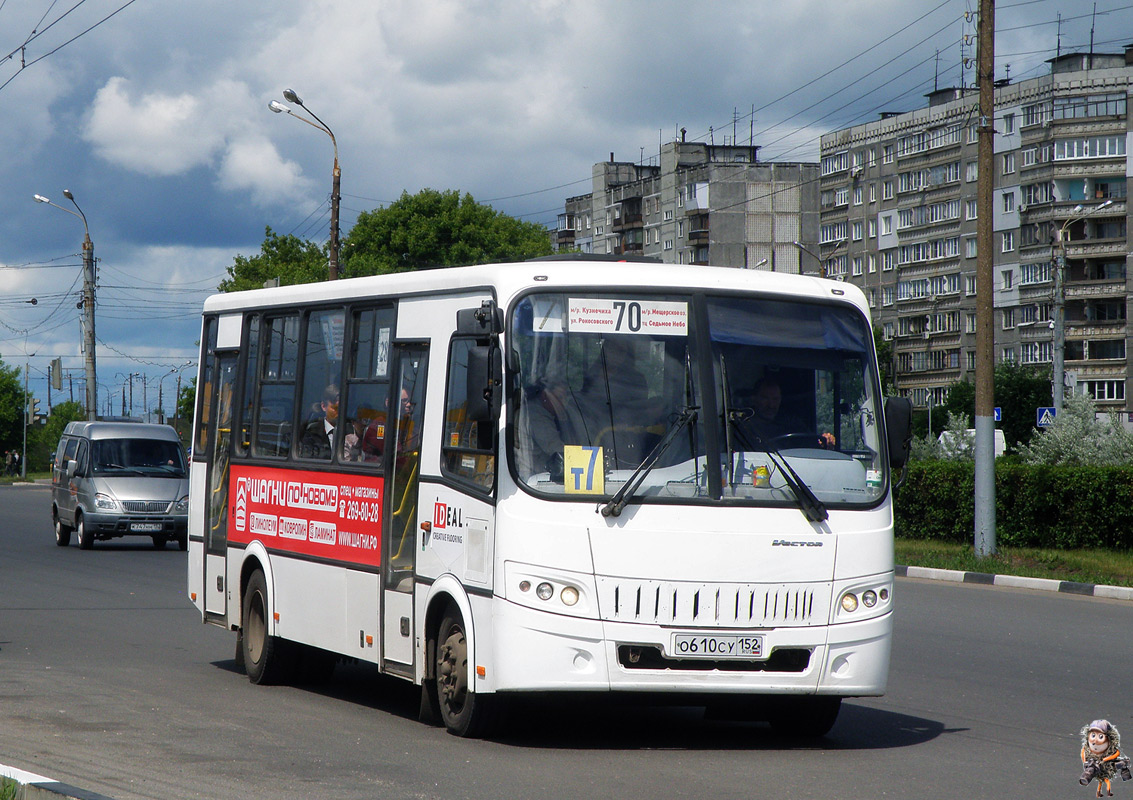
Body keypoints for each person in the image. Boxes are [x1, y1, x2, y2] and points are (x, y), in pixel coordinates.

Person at [736, 376, 835, 449]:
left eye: (775, 399)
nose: (771, 405)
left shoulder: (790, 421)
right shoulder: (745, 426)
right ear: (754, 399)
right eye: (765, 398)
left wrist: (824, 442)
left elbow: (809, 442)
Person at [299, 384, 353, 460]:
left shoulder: (350, 430)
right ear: (324, 406)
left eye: (342, 408)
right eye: (335, 408)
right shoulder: (312, 433)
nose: (339, 412)